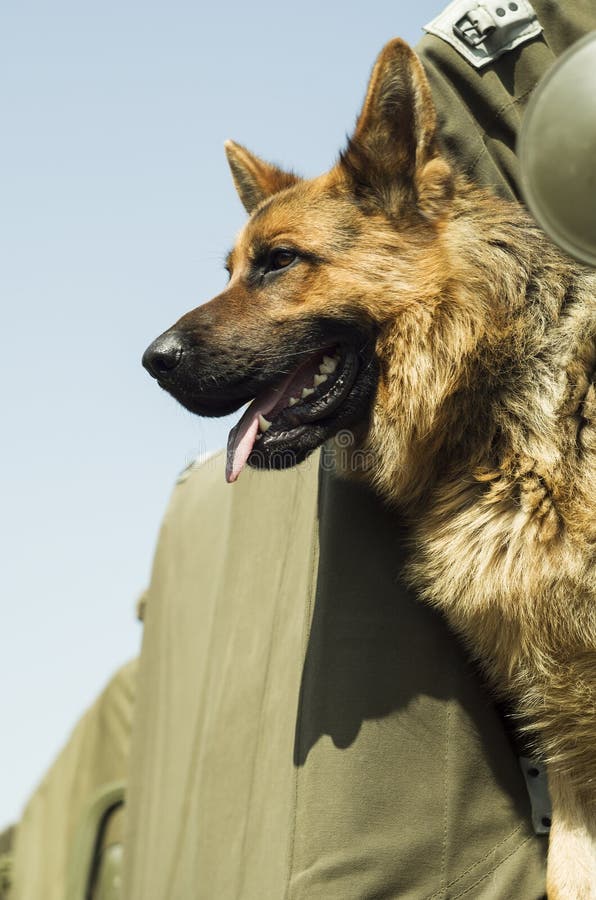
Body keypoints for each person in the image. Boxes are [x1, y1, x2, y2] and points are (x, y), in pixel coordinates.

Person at [123, 3, 595, 896]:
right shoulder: (454, 507)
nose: (226, 305)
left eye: (275, 264)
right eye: (236, 270)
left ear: (414, 215)